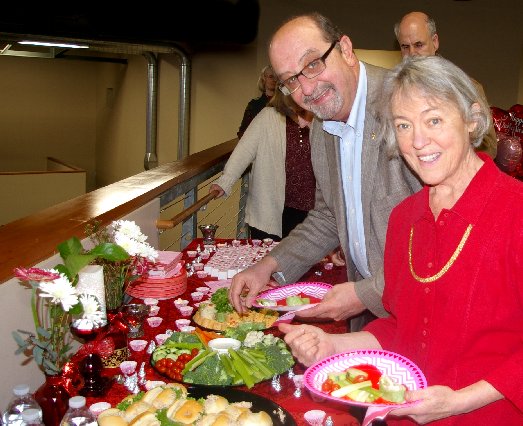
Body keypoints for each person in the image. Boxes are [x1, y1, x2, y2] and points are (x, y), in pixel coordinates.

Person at [280, 55, 523, 425]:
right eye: (404, 125)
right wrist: (333, 346)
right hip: (404, 413)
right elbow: (401, 326)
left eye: (434, 120)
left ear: (472, 119)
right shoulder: (405, 218)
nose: (418, 141)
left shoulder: (515, 212)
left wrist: (458, 401)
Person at [229, 13, 421, 331]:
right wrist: (269, 266)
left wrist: (365, 294)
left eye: (313, 64)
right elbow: (328, 217)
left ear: (345, 49)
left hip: (424, 314)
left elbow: (445, 233)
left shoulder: (406, 107)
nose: (306, 88)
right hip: (369, 319)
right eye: (291, 80)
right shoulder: (322, 128)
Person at [211, 90, 315, 241]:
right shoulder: (267, 117)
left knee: (307, 261)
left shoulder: (318, 116)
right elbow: (244, 151)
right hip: (272, 207)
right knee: (268, 260)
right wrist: (225, 182)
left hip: (310, 208)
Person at [394, 11, 497, 159]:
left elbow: (489, 146)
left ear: (435, 42)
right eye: (405, 47)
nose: (412, 53)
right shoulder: (395, 92)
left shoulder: (465, 88)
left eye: (419, 45)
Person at [237, 65, 277, 138]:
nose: (274, 80)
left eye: (276, 77)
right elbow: (243, 131)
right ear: (263, 79)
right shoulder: (254, 105)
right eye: (271, 77)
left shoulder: (285, 103)